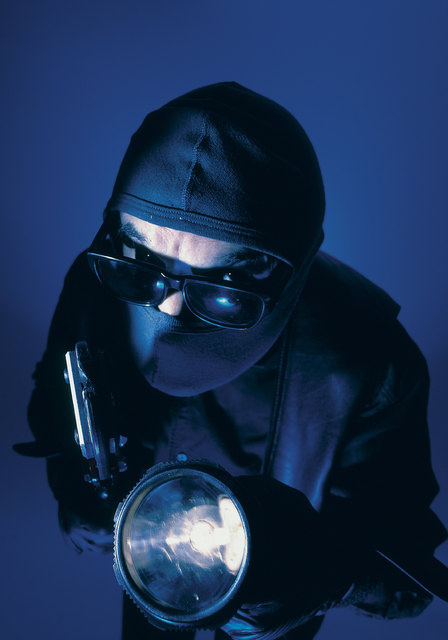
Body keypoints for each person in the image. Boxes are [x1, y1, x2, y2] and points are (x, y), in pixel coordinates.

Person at [20, 82, 448, 639]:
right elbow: (59, 398)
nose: (167, 310)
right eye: (143, 259)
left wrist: (319, 576)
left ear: (279, 269)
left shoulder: (372, 359)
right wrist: (81, 492)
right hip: (146, 566)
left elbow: (406, 573)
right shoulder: (104, 277)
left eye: (219, 288)